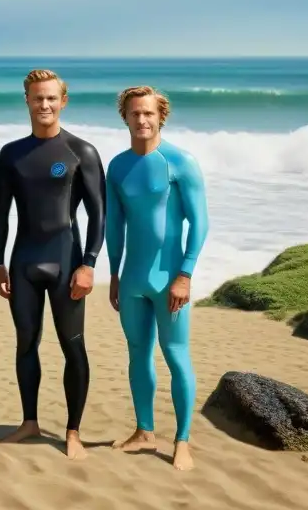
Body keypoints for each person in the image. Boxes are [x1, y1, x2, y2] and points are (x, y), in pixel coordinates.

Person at [0, 69, 106, 459]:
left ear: (63, 101)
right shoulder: (11, 154)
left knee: (73, 346)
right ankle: (29, 422)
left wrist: (88, 264)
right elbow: (0, 213)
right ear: (27, 100)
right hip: (23, 262)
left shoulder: (82, 152)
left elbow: (98, 215)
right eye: (38, 98)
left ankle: (73, 431)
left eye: (52, 98)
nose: (45, 105)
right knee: (26, 344)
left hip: (66, 261)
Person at [105, 85, 208, 471]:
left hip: (169, 278)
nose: (142, 120)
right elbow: (114, 225)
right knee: (137, 353)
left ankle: (182, 439)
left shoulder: (180, 162)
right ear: (125, 117)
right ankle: (144, 430)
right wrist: (112, 273)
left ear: (160, 115)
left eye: (149, 113)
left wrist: (185, 274)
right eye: (135, 114)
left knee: (176, 355)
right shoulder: (117, 166)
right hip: (132, 279)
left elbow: (200, 222)